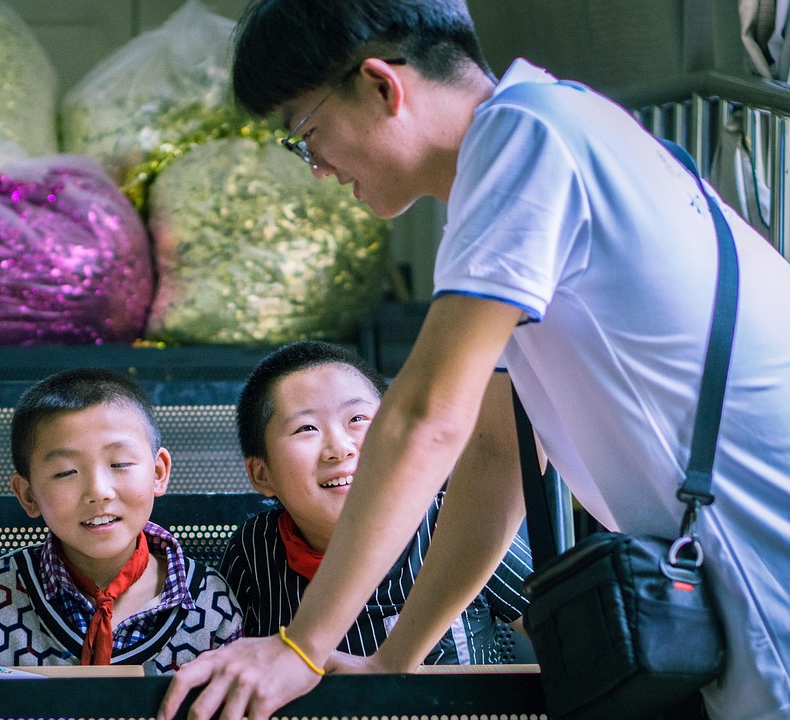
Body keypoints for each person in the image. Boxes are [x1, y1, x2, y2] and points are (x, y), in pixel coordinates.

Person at [159, 2, 790, 720]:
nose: (320, 171)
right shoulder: (547, 135)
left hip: (763, 557)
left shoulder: (523, 139)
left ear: (379, 86)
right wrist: (395, 658)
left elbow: (426, 415)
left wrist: (299, 648)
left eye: (306, 135)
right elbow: (494, 455)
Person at [221, 340, 531, 665]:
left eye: (357, 419)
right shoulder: (254, 550)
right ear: (261, 475)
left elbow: (559, 628)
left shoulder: (455, 523)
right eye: (306, 428)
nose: (340, 448)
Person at [0, 368, 244, 673]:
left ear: (158, 472)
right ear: (28, 495)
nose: (98, 491)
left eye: (120, 463)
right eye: (65, 472)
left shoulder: (208, 600)